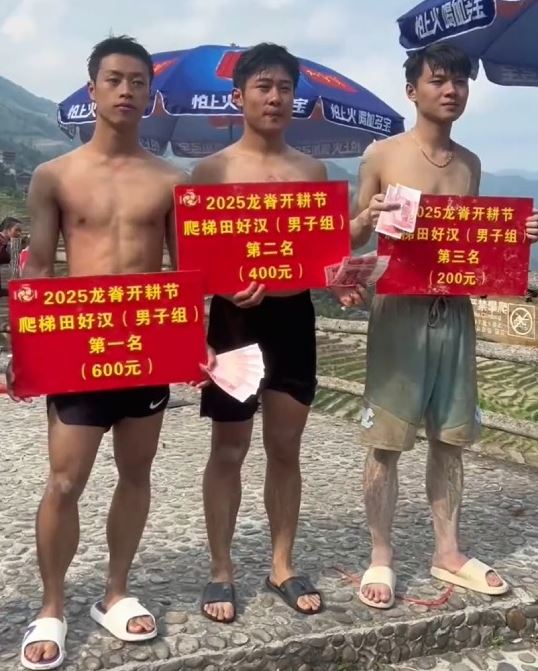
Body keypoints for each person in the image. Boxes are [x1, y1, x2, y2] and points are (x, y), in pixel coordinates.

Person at [7, 35, 187, 669]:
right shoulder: (55, 175)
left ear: (150, 95)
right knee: (64, 479)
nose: (126, 91)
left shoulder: (170, 180)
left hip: (147, 347)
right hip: (79, 346)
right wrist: (25, 349)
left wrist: (212, 320)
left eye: (138, 82)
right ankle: (51, 605)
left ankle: (115, 591)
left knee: (136, 474)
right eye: (114, 79)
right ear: (92, 90)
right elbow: (37, 268)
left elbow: (185, 272)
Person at [349, 43, 538, 609]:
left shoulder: (470, 163)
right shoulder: (381, 154)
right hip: (397, 312)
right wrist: (367, 217)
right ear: (413, 91)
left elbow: (467, 245)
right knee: (385, 442)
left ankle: (448, 551)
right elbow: (351, 236)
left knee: (450, 438)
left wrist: (516, 236)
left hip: (452, 311)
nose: (451, 90)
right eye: (438, 80)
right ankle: (381, 554)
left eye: (459, 81)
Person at [192, 43, 362, 624]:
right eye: (263, 87)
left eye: (285, 88)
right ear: (238, 97)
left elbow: (322, 254)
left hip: (293, 319)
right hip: (235, 321)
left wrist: (340, 278)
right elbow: (195, 260)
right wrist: (219, 293)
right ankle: (221, 568)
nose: (275, 97)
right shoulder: (211, 171)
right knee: (228, 448)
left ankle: (282, 564)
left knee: (286, 448)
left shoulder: (311, 172)